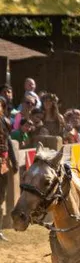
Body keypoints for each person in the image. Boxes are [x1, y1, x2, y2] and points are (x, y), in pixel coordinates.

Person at [0, 97, 18, 241]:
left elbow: (8, 142)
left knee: (1, 196)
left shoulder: (5, 122)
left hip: (2, 163)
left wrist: (14, 160)